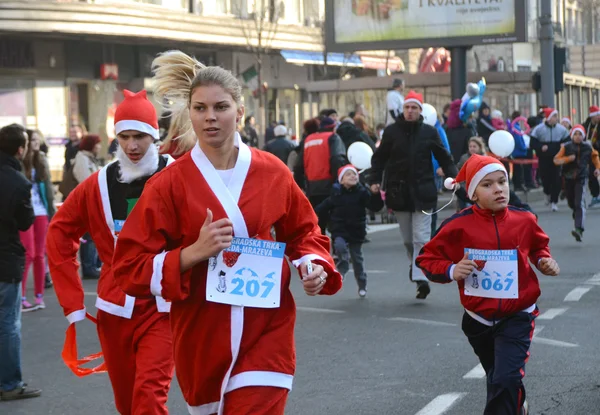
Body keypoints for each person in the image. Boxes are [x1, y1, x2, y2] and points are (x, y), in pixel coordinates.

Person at [110, 50, 343, 415]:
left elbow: (303, 231)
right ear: (190, 113)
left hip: (268, 327)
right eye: (200, 108)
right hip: (202, 335)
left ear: (239, 111)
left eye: (220, 107)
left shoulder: (272, 172)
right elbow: (127, 267)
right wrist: (191, 253)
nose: (210, 118)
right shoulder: (168, 185)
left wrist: (312, 265)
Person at [46, 89, 175, 414]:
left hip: (165, 308)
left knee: (149, 396)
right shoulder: (97, 184)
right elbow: (60, 231)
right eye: (124, 136)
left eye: (140, 136)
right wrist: (72, 302)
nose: (132, 146)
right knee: (127, 402)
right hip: (114, 309)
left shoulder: (181, 175)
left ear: (154, 136)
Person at [416, 154, 560, 415]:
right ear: (473, 194)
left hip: (518, 315)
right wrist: (451, 269)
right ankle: (517, 402)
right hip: (478, 319)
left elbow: (538, 247)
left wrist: (544, 261)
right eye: (488, 184)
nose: (498, 189)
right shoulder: (458, 225)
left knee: (504, 378)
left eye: (502, 182)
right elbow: (426, 259)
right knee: (499, 377)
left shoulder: (524, 219)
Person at [369, 91, 457, 300]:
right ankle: (416, 265)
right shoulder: (391, 132)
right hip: (399, 193)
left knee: (421, 238)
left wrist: (455, 177)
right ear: (403, 110)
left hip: (424, 192)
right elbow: (379, 159)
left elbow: (444, 157)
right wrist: (374, 180)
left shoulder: (428, 132)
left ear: (420, 111)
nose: (410, 111)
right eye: (407, 107)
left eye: (414, 108)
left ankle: (421, 278)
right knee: (408, 240)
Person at [0, 124, 41, 401]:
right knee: (7, 324)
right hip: (5, 261)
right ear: (20, 149)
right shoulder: (18, 182)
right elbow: (26, 221)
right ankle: (10, 383)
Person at [315, 165, 376, 298]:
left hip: (356, 232)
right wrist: (312, 214)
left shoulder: (362, 192)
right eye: (348, 174)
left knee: (357, 260)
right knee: (339, 246)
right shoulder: (336, 194)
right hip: (340, 230)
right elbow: (323, 207)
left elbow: (374, 205)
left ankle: (362, 284)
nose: (353, 176)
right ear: (341, 180)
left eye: (354, 174)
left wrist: (375, 194)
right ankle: (343, 265)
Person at [20, 129, 55, 312]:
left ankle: (39, 296)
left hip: (41, 210)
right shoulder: (19, 160)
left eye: (36, 140)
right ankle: (22, 296)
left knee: (40, 254)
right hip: (25, 211)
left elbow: (48, 188)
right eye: (31, 140)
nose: (34, 143)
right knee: (28, 254)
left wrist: (52, 212)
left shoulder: (41, 159)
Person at [294, 116, 347, 232]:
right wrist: (338, 180)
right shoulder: (333, 138)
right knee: (335, 221)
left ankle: (319, 248)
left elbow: (298, 165)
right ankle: (338, 247)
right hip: (330, 186)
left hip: (312, 188)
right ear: (333, 128)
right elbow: (337, 159)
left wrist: (301, 185)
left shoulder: (308, 140)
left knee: (318, 222)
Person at [553, 124, 600, 242]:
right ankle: (576, 212)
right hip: (568, 178)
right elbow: (556, 160)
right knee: (572, 202)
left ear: (583, 136)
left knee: (579, 202)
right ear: (571, 135)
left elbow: (595, 157)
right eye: (575, 134)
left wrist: (597, 168)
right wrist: (568, 159)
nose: (578, 137)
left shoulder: (587, 147)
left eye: (580, 134)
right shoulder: (566, 147)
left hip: (581, 177)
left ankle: (579, 229)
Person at [71, 134, 102, 278]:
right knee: (89, 236)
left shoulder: (89, 158)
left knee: (93, 236)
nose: (99, 147)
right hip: (86, 202)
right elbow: (86, 181)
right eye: (97, 144)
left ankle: (92, 265)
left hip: (92, 201)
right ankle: (88, 267)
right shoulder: (82, 159)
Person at [529, 108, 570, 211]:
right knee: (545, 179)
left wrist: (563, 144)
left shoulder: (562, 129)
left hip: (557, 158)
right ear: (548, 118)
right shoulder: (538, 129)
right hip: (544, 158)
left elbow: (568, 141)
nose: (556, 118)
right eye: (554, 116)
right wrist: (540, 147)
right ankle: (546, 192)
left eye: (556, 116)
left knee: (556, 179)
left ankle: (554, 202)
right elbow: (532, 143)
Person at [583, 106, 600, 207]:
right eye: (597, 115)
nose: (599, 116)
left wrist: (596, 144)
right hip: (590, 155)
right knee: (592, 175)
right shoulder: (586, 126)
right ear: (592, 116)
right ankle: (595, 195)